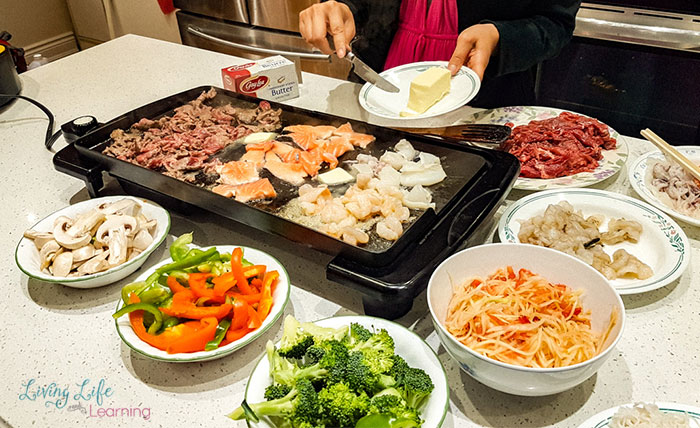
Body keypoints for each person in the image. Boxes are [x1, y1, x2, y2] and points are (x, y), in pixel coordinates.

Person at [299, 0, 581, 108]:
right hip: (377, 94)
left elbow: (557, 23)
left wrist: (500, 37)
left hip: (483, 108)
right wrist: (344, 8)